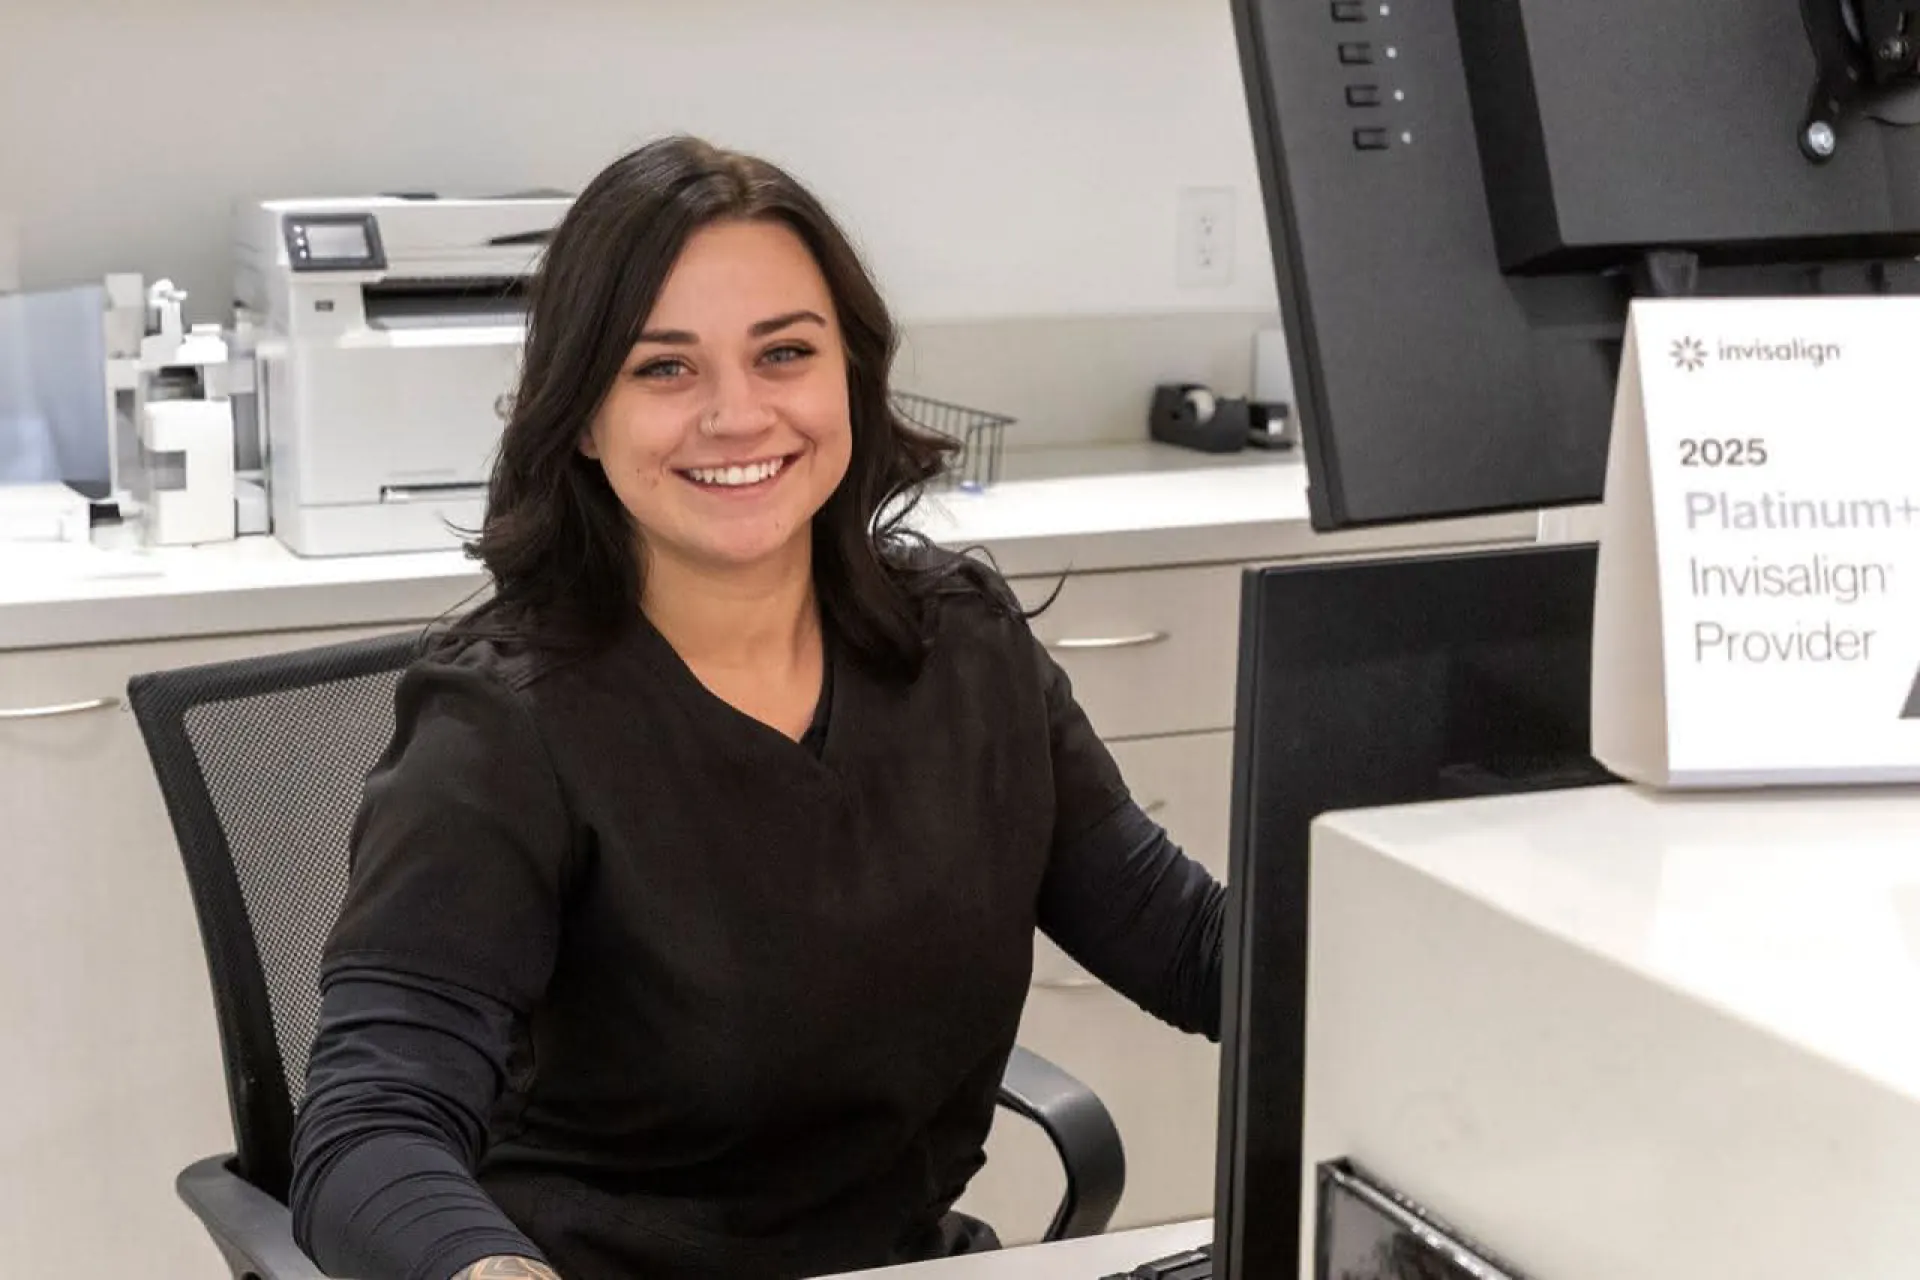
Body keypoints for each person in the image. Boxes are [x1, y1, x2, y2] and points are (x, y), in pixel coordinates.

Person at [289, 135, 1225, 1280]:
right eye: (664, 368)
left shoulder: (964, 648)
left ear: (851, 377)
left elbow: (1194, 946)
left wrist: (1413, 925)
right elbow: (367, 1131)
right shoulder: (503, 728)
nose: (737, 414)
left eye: (783, 352)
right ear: (580, 414)